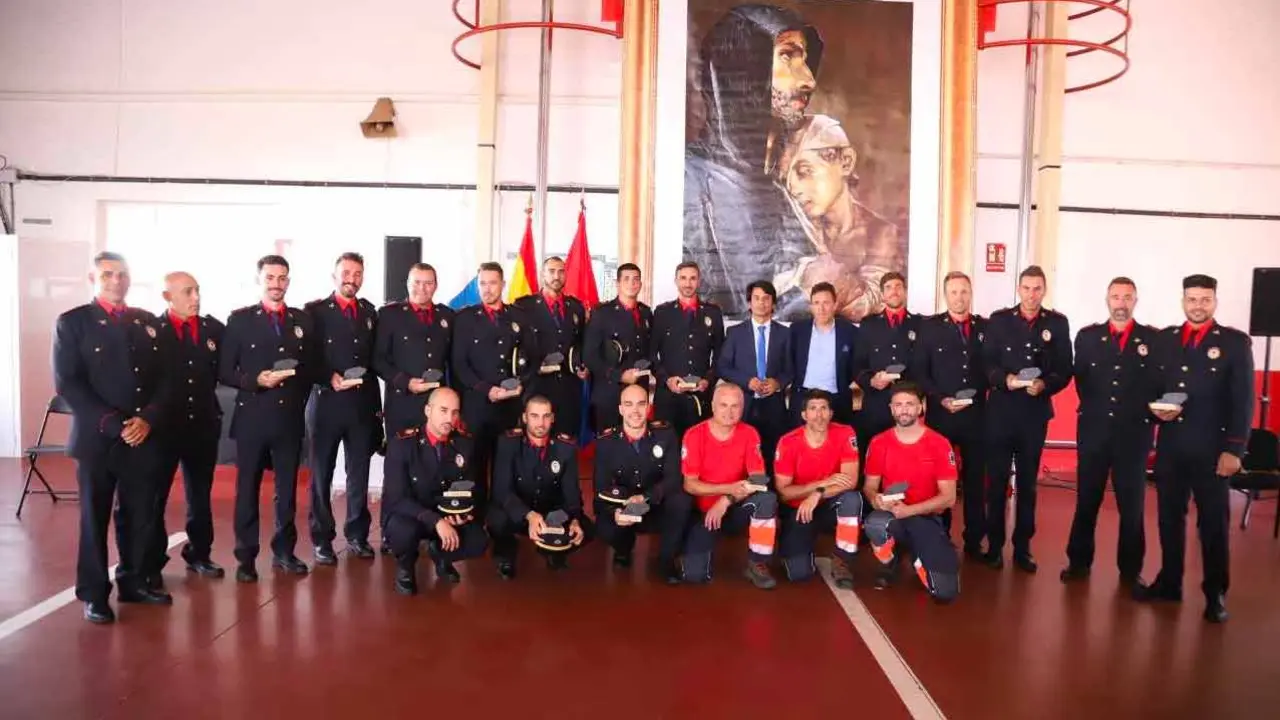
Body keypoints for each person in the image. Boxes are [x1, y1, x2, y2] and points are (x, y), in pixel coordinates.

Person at [53, 251, 173, 623]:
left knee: (139, 516)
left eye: (122, 274)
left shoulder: (147, 322)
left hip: (142, 437)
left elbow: (166, 379)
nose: (116, 280)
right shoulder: (73, 323)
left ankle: (133, 582)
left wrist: (148, 419)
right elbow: (69, 384)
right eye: (107, 274)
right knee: (95, 518)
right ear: (93, 278)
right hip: (98, 439)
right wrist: (113, 424)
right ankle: (93, 594)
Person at [683, 4, 822, 319]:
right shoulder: (689, 181)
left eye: (804, 59)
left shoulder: (777, 189)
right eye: (788, 56)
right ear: (743, 67)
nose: (809, 81)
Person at [1136, 274, 1254, 623]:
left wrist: (1235, 449)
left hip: (1213, 451)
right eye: (1192, 299)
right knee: (1169, 520)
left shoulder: (1233, 343)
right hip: (1172, 448)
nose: (1198, 306)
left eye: (1205, 299)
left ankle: (1215, 592)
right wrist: (1155, 409)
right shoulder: (1167, 340)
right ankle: (1170, 583)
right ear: (1183, 300)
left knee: (1213, 525)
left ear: (1214, 301)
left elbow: (1243, 401)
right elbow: (1153, 388)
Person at [1062, 277, 1162, 587]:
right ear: (1107, 300)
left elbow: (1158, 385)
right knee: (1087, 501)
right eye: (1116, 297)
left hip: (1133, 436)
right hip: (1094, 432)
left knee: (1131, 507)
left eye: (1127, 297)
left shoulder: (1153, 339)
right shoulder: (1088, 337)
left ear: (1136, 301)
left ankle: (1131, 571)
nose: (1121, 302)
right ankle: (1078, 563)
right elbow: (1083, 383)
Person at [219, 254, 313, 581]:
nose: (276, 284)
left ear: (288, 281)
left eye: (282, 278)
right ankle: (245, 557)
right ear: (260, 280)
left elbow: (310, 367)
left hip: (288, 419)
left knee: (286, 491)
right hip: (252, 419)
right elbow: (225, 371)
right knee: (247, 490)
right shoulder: (240, 320)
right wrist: (255, 380)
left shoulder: (301, 321)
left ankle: (284, 552)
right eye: (270, 278)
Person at [981, 265, 1072, 572]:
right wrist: (1003, 380)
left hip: (1034, 415)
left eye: (1037, 289)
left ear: (1043, 291)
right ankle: (994, 546)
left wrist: (1046, 384)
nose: (1031, 295)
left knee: (1029, 487)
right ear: (1018, 290)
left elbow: (1064, 369)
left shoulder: (1057, 324)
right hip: (1001, 413)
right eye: (1026, 288)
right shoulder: (999, 320)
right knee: (996, 484)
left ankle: (1023, 548)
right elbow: (987, 363)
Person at [304, 252, 382, 565]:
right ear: (334, 275)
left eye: (357, 273)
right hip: (325, 404)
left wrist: (378, 410)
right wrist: (328, 377)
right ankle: (322, 539)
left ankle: (357, 535)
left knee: (358, 475)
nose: (352, 278)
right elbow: (306, 356)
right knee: (321, 476)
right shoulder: (315, 312)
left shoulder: (368, 311)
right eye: (346, 272)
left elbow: (374, 362)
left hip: (360, 407)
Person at [149, 271, 225, 583]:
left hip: (202, 424)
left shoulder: (213, 329)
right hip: (165, 427)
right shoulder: (152, 330)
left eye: (197, 291)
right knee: (156, 497)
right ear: (168, 297)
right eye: (187, 292)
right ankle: (151, 562)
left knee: (200, 494)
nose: (195, 298)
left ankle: (199, 554)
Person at [373, 262, 455, 554]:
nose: (422, 288)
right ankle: (389, 530)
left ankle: (434, 530)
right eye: (417, 282)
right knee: (397, 471)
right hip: (404, 404)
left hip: (437, 409)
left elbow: (450, 362)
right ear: (407, 284)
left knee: (436, 466)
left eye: (428, 283)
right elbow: (379, 359)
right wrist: (405, 382)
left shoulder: (446, 316)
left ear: (436, 284)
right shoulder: (390, 315)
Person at [910, 271, 988, 556]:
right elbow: (920, 371)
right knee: (939, 479)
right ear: (946, 295)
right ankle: (939, 534)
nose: (960, 297)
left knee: (976, 480)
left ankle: (974, 540)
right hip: (943, 415)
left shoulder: (985, 327)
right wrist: (940, 399)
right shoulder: (930, 328)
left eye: (964, 291)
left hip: (977, 416)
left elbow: (990, 369)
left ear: (971, 293)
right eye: (954, 292)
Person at [382, 388, 489, 594]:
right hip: (412, 515)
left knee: (478, 540)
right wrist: (435, 521)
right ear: (428, 411)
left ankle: (442, 556)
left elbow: (471, 488)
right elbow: (396, 498)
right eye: (443, 410)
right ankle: (405, 567)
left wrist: (461, 514)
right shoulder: (403, 444)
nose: (450, 418)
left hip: (445, 515)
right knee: (402, 532)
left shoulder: (464, 443)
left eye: (455, 412)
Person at [862, 382, 960, 603]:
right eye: (898, 405)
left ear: (921, 407)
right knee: (875, 524)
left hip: (926, 517)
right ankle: (891, 560)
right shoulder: (879, 442)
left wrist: (910, 511)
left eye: (909, 404)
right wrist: (875, 498)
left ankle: (922, 555)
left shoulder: (939, 444)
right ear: (891, 408)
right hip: (892, 517)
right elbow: (869, 486)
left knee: (945, 592)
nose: (903, 410)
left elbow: (948, 498)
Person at [450, 262, 536, 505]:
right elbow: (459, 364)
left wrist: (522, 386)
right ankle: (476, 523)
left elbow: (531, 358)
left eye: (493, 283)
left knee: (506, 468)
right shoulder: (465, 318)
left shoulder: (519, 317)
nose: (487, 289)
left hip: (510, 407)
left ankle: (502, 526)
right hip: (477, 407)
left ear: (503, 284)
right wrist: (487, 390)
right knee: (474, 467)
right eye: (483, 283)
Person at [679, 384, 779, 589]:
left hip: (734, 507)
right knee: (694, 576)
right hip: (704, 511)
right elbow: (690, 485)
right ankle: (691, 546)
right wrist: (728, 489)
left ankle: (758, 562)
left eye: (735, 406)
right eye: (723, 405)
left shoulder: (750, 433)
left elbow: (758, 480)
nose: (729, 412)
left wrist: (727, 500)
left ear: (742, 408)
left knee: (767, 499)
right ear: (713, 406)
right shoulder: (694, 434)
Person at [593, 384, 689, 583]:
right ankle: (623, 550)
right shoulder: (606, 441)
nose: (635, 411)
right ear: (620, 409)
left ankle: (666, 560)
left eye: (640, 404)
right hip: (623, 508)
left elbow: (673, 478)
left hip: (654, 505)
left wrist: (645, 497)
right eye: (628, 405)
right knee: (605, 524)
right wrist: (616, 512)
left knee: (681, 501)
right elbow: (600, 487)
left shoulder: (665, 433)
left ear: (648, 407)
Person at [488, 395, 592, 578]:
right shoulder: (508, 443)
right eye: (534, 416)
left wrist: (575, 518)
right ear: (525, 417)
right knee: (497, 519)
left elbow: (571, 492)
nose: (541, 423)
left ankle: (553, 550)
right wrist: (528, 515)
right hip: (519, 511)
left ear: (552, 418)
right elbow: (501, 490)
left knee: (587, 529)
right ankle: (506, 557)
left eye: (546, 416)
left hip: (549, 512)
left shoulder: (565, 447)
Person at [774, 390, 862, 588]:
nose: (819, 414)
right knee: (799, 574)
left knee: (851, 499)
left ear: (831, 413)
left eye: (824, 408)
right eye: (813, 409)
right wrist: (819, 485)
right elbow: (784, 492)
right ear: (804, 415)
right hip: (799, 510)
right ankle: (797, 548)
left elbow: (850, 481)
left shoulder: (845, 433)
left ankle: (843, 559)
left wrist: (818, 493)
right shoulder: (788, 442)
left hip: (829, 504)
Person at [717, 280, 792, 475]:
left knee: (772, 456)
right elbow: (723, 367)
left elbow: (790, 369)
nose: (761, 303)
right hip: (743, 404)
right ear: (749, 303)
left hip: (773, 407)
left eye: (766, 299)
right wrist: (746, 381)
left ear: (773, 303)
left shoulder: (785, 334)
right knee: (741, 455)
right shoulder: (735, 333)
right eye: (756, 298)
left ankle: (771, 501)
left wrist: (778, 383)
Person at [513, 256, 589, 438]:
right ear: (543, 275)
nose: (557, 276)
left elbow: (582, 343)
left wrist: (584, 366)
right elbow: (516, 346)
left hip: (568, 389)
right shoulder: (523, 306)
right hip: (536, 386)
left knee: (566, 443)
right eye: (552, 271)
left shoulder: (575, 307)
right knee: (535, 444)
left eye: (561, 271)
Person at [650, 261, 724, 436]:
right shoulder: (662, 312)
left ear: (699, 281)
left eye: (692, 278)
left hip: (700, 397)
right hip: (668, 397)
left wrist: (708, 380)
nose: (688, 283)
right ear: (676, 281)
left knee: (698, 449)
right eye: (683, 278)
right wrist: (666, 379)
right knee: (665, 449)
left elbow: (721, 354)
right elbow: (651, 354)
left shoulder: (712, 313)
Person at [852, 272, 919, 463]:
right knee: (873, 458)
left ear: (905, 292)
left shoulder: (920, 324)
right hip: (876, 404)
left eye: (898, 286)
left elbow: (924, 365)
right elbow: (857, 365)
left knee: (906, 460)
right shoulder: (868, 325)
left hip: (908, 407)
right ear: (882, 294)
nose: (894, 291)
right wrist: (871, 380)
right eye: (888, 287)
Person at [583, 263, 653, 433]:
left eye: (636, 279)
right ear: (618, 283)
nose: (632, 283)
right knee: (608, 449)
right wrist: (620, 376)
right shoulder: (601, 313)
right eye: (627, 279)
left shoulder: (646, 313)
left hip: (638, 395)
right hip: (609, 394)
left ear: (641, 284)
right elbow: (589, 356)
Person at [789, 282, 859, 427]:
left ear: (834, 305)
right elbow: (789, 361)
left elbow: (855, 365)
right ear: (811, 306)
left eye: (826, 303)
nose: (821, 308)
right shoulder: (797, 330)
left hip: (837, 400)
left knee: (837, 446)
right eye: (816, 303)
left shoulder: (850, 332)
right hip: (803, 398)